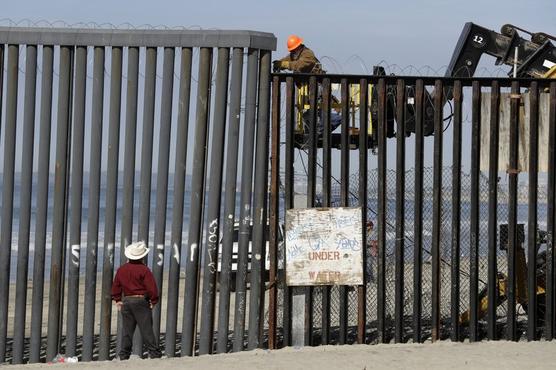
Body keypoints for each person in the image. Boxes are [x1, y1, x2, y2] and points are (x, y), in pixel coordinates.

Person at [273, 35, 342, 135]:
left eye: (293, 49)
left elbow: (299, 65)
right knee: (308, 113)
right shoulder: (294, 54)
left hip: (317, 86)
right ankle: (316, 130)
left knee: (317, 110)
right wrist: (279, 63)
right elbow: (287, 60)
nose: (292, 52)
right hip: (307, 88)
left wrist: (283, 65)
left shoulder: (308, 54)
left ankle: (321, 130)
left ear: (298, 46)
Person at [112, 241, 161, 360]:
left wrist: (118, 300)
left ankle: (124, 355)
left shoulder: (121, 270)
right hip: (140, 301)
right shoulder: (144, 270)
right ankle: (154, 354)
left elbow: (116, 286)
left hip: (127, 301)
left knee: (127, 331)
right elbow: (152, 288)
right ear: (142, 256)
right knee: (146, 330)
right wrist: (153, 301)